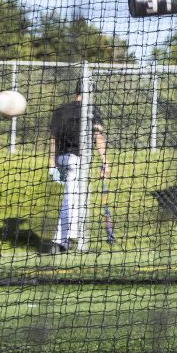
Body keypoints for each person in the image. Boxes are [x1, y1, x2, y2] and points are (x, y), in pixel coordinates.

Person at [48, 81, 108, 253]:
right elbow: (98, 137)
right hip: (78, 161)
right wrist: (105, 162)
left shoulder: (60, 110)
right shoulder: (91, 110)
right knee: (73, 199)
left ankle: (67, 240)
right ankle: (64, 239)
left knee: (75, 197)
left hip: (62, 159)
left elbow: (52, 139)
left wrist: (52, 164)